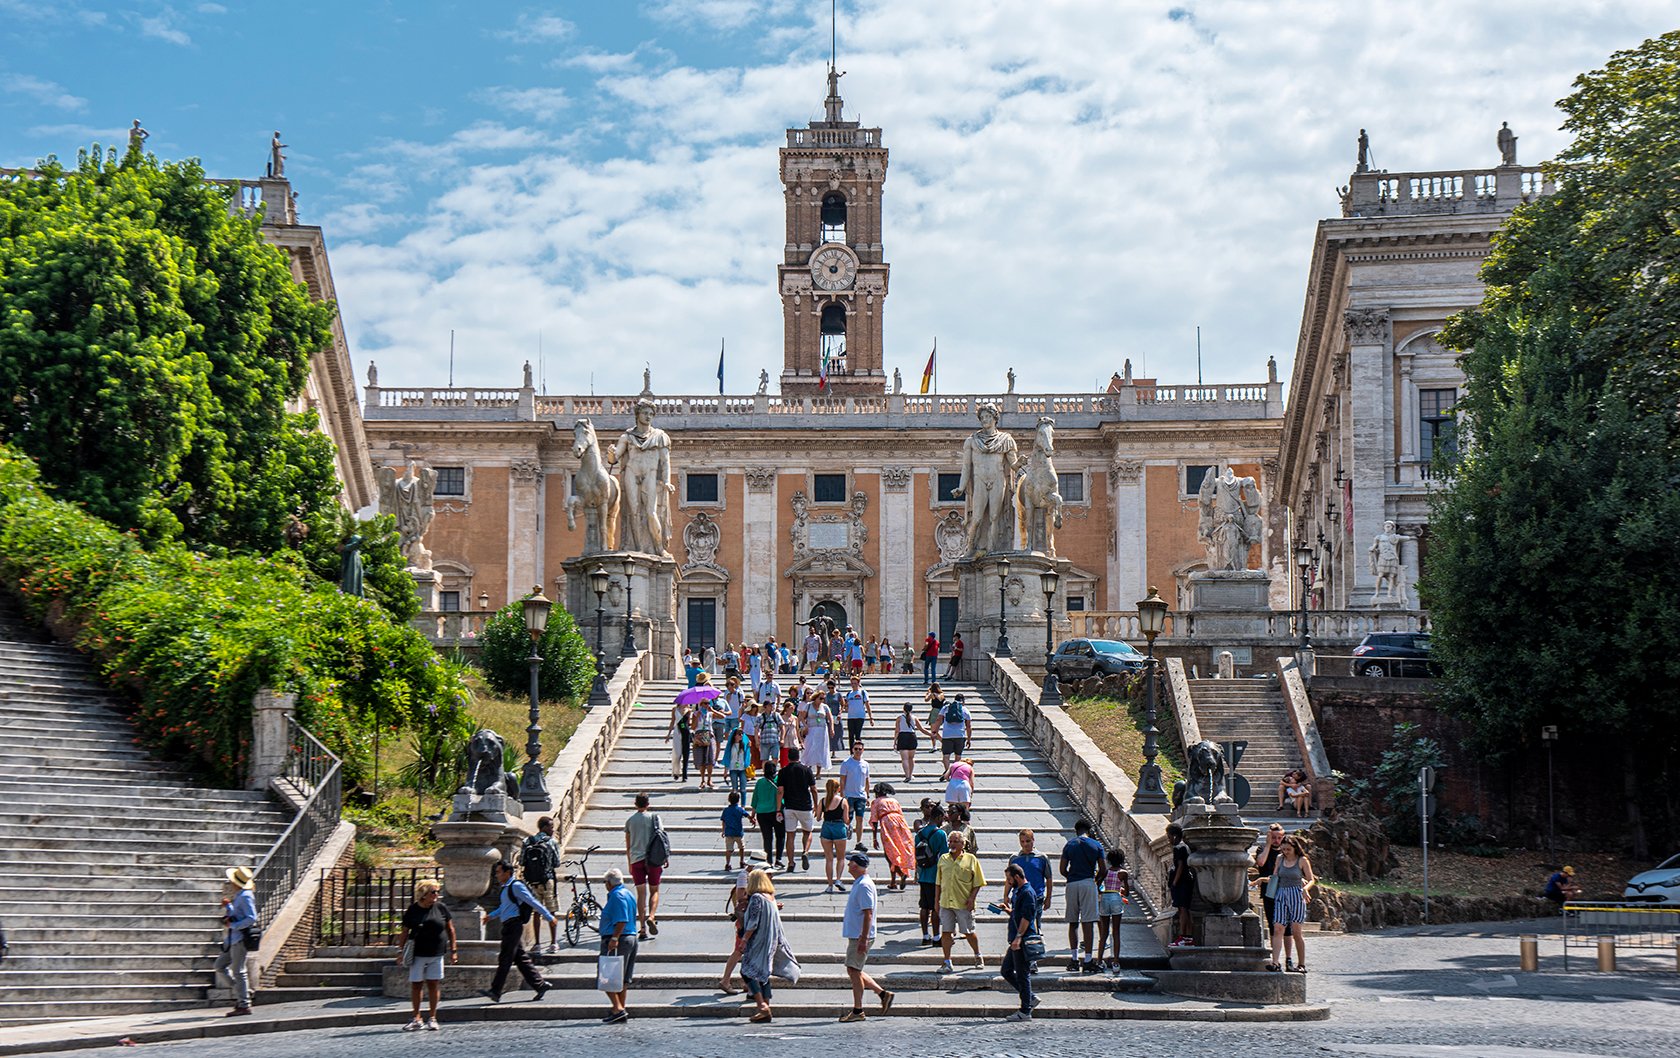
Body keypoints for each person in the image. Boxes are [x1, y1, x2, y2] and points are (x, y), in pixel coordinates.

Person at [480, 861, 554, 1002]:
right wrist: (491, 916)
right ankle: (540, 985)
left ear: (507, 873)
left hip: (514, 925)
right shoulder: (506, 888)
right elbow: (504, 908)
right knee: (521, 959)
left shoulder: (516, 886)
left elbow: (532, 901)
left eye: (498, 872)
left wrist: (549, 916)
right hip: (509, 926)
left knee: (505, 958)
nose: (496, 875)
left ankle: (495, 991)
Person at [838, 850, 895, 1021]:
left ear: (855, 865)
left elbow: (868, 913)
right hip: (858, 934)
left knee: (854, 970)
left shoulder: (864, 885)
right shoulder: (860, 882)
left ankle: (858, 1010)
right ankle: (883, 994)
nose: (848, 865)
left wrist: (863, 938)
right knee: (853, 969)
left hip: (860, 936)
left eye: (850, 862)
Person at [397, 878, 457, 1031]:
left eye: (437, 891)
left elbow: (451, 930)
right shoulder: (413, 910)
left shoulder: (441, 908)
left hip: (437, 952)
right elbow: (404, 932)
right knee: (416, 984)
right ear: (423, 894)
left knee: (433, 984)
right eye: (433, 892)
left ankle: (432, 1017)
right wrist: (400, 951)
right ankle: (416, 1017)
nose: (436, 894)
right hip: (418, 953)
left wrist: (453, 951)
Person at [739, 869, 791, 1023]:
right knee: (763, 974)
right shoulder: (770, 898)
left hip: (758, 940)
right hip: (771, 939)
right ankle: (765, 1008)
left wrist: (744, 940)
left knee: (746, 971)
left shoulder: (756, 898)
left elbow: (753, 922)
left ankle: (762, 1005)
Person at [935, 829, 987, 973]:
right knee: (946, 932)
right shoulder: (943, 859)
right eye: (950, 841)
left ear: (962, 844)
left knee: (969, 931)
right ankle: (947, 961)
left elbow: (978, 882)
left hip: (963, 902)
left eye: (955, 841)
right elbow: (938, 883)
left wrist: (972, 899)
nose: (952, 844)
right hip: (946, 901)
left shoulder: (971, 859)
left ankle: (977, 955)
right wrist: (936, 901)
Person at [214, 866, 260, 1016]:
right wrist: (229, 906)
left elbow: (251, 918)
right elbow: (238, 914)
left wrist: (233, 925)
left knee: (239, 971)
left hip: (239, 939)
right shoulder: (241, 895)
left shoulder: (246, 896)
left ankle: (244, 1004)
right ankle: (242, 993)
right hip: (233, 939)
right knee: (220, 966)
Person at [1060, 819, 1104, 972]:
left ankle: (1073, 959)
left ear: (1076, 830)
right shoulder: (1096, 845)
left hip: (1072, 883)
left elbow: (1062, 869)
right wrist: (1096, 882)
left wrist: (1071, 877)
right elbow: (1103, 869)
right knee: (1088, 921)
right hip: (1088, 882)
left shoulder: (1070, 844)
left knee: (1073, 922)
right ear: (1089, 830)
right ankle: (1087, 960)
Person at [1267, 835, 1315, 973]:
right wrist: (1263, 881)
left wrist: (1305, 888)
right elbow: (1275, 876)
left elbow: (1311, 879)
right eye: (1284, 849)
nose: (1286, 852)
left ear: (1295, 848)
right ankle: (1275, 962)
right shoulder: (1279, 859)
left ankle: (1301, 963)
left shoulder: (1302, 860)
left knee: (1296, 932)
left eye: (1288, 849)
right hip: (1281, 894)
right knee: (1278, 928)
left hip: (1296, 895)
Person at [999, 863, 1039, 1021]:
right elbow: (1019, 913)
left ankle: (1025, 1010)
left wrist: (1018, 937)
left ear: (1017, 877)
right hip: (1016, 938)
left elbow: (1027, 917)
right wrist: (1008, 910)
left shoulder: (1027, 893)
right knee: (1006, 970)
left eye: (1009, 879)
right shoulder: (1020, 891)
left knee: (1023, 974)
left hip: (1022, 939)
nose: (1008, 882)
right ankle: (1030, 998)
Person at [598, 867, 638, 1023]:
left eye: (605, 882)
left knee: (606, 976)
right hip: (631, 937)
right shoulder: (628, 894)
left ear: (609, 883)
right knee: (622, 978)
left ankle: (618, 1008)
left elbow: (621, 919)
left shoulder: (617, 896)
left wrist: (614, 938)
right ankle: (619, 1008)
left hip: (618, 939)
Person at [519, 816, 563, 954]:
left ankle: (537, 944)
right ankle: (553, 943)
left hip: (532, 882)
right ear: (544, 827)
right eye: (550, 827)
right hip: (548, 880)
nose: (553, 829)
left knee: (536, 912)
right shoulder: (552, 842)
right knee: (551, 911)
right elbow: (556, 863)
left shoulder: (527, 841)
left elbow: (521, 861)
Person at [624, 793, 664, 938]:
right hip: (653, 859)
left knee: (641, 893)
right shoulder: (655, 818)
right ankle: (652, 917)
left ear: (635, 804)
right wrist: (664, 857)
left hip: (636, 860)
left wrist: (630, 863)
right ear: (648, 804)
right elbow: (661, 838)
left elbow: (628, 845)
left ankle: (641, 928)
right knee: (654, 890)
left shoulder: (630, 821)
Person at [915, 803, 950, 944]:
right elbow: (944, 855)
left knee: (924, 906)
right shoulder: (940, 834)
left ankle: (925, 936)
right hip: (936, 875)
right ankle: (936, 937)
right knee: (936, 907)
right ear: (939, 816)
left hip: (923, 873)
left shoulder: (919, 833)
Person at [779, 747, 819, 871]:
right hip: (805, 806)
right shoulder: (806, 770)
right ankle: (805, 851)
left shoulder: (783, 771)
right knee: (807, 832)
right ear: (799, 757)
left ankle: (791, 863)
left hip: (789, 806)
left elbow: (780, 791)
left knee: (790, 835)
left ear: (788, 757)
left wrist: (777, 808)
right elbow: (813, 789)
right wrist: (816, 805)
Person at [1007, 829, 1054, 934]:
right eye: (1022, 842)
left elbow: (1049, 878)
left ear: (1033, 840)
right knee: (1018, 924)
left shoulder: (1042, 858)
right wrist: (1006, 895)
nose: (1025, 844)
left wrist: (1049, 898)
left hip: (1037, 896)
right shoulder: (1014, 858)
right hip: (1018, 897)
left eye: (1028, 841)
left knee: (1035, 926)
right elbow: (1009, 879)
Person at [868, 783, 914, 890]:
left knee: (889, 853)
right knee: (899, 849)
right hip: (900, 824)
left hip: (887, 824)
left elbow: (874, 821)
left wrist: (874, 838)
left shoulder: (876, 802)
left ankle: (900, 874)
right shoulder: (894, 801)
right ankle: (893, 881)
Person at [1252, 823, 1287, 963]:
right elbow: (1260, 863)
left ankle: (1287, 957)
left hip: (1284, 889)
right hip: (1269, 890)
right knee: (1273, 924)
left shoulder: (1285, 851)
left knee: (1285, 925)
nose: (1276, 841)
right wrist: (1267, 845)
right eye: (1273, 837)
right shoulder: (1262, 849)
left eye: (1279, 838)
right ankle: (1275, 957)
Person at [1096, 848, 1129, 971]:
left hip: (1105, 897)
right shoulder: (1123, 873)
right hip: (1116, 897)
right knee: (1116, 932)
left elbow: (1098, 886)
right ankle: (1116, 962)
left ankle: (1099, 960)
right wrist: (1120, 891)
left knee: (1104, 932)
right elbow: (1127, 893)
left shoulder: (1105, 872)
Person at [752, 761, 786, 869]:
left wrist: (752, 814)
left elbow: (755, 799)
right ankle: (778, 859)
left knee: (767, 838)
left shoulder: (760, 782)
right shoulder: (779, 781)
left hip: (762, 813)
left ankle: (769, 860)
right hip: (777, 811)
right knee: (780, 836)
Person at [818, 778, 851, 892]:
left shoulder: (823, 801)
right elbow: (846, 820)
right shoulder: (843, 801)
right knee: (841, 858)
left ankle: (830, 885)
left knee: (829, 859)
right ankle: (838, 879)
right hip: (839, 828)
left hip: (826, 828)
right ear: (838, 789)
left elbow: (818, 818)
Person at [1167, 822, 1195, 947]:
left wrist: (1174, 882)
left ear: (1174, 836)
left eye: (1168, 837)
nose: (1168, 840)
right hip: (1187, 881)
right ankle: (1188, 937)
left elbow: (1180, 866)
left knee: (1182, 909)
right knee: (1186, 910)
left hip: (1182, 882)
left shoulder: (1178, 848)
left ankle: (1183, 936)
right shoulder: (1185, 847)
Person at [839, 741, 872, 846]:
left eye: (860, 749)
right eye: (856, 749)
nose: (858, 751)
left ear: (863, 750)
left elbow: (867, 780)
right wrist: (842, 795)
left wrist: (867, 795)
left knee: (860, 818)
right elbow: (842, 780)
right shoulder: (846, 763)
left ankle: (859, 841)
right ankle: (845, 834)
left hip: (861, 796)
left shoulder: (865, 764)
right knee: (847, 818)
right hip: (849, 795)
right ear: (853, 750)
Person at [937, 694, 974, 780]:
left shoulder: (946, 708)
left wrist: (935, 730)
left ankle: (947, 771)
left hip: (947, 735)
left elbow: (939, 719)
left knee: (946, 755)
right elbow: (968, 726)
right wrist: (969, 739)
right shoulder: (965, 710)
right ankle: (953, 772)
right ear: (963, 701)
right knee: (958, 756)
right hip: (960, 735)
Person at [893, 701, 930, 781]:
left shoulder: (899, 718)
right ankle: (910, 774)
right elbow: (922, 729)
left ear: (903, 709)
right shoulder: (915, 718)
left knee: (904, 759)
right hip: (912, 737)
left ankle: (907, 776)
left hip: (903, 737)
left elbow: (897, 730)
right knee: (911, 758)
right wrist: (931, 735)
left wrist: (895, 741)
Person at [804, 689, 834, 773]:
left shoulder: (825, 707)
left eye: (823, 699)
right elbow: (801, 717)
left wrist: (831, 728)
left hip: (822, 729)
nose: (822, 700)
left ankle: (818, 771)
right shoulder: (808, 705)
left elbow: (830, 718)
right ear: (816, 697)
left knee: (821, 749)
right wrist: (805, 725)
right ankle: (807, 767)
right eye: (820, 698)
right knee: (809, 747)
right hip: (811, 728)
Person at [722, 791, 752, 871]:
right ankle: (741, 861)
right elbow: (747, 815)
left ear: (729, 799)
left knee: (729, 849)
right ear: (738, 800)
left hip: (728, 833)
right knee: (741, 847)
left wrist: (723, 831)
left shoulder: (726, 810)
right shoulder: (739, 809)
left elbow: (723, 821)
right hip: (738, 833)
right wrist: (752, 819)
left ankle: (728, 863)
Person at [666, 698, 692, 783]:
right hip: (677, 732)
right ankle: (676, 772)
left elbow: (688, 723)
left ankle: (685, 775)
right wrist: (668, 734)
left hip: (685, 733)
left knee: (686, 753)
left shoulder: (688, 710)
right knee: (677, 753)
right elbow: (672, 721)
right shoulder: (674, 709)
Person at [843, 674, 873, 745]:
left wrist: (871, 717)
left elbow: (867, 704)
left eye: (855, 683)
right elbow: (845, 705)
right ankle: (852, 753)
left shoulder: (862, 692)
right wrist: (845, 707)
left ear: (858, 683)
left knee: (857, 735)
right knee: (850, 735)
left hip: (860, 716)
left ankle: (858, 750)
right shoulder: (849, 694)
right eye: (852, 683)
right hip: (851, 716)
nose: (853, 685)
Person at [722, 725, 750, 799]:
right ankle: (735, 804)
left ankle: (743, 805)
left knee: (743, 789)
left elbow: (748, 756)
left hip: (742, 768)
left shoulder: (744, 745)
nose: (741, 735)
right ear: (734, 735)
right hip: (733, 768)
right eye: (739, 734)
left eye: (742, 734)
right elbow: (727, 758)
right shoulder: (730, 746)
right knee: (734, 789)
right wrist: (725, 771)